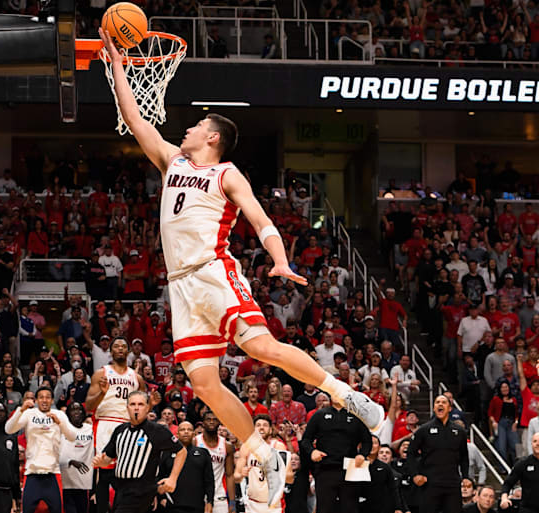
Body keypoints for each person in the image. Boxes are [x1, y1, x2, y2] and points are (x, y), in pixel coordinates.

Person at [98, 26, 383, 506]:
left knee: (261, 346)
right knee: (203, 382)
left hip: (213, 272)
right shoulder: (171, 162)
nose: (183, 130)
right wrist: (118, 67)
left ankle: (343, 392)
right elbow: (135, 118)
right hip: (181, 287)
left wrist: (279, 260)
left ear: (211, 138)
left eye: (193, 127)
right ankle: (260, 451)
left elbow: (260, 217)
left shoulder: (225, 172)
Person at [92, 391, 187, 513]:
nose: (136, 408)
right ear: (127, 408)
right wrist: (101, 462)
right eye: (132, 404)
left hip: (142, 489)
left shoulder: (157, 430)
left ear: (147, 408)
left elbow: (181, 451)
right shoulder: (120, 430)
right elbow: (108, 458)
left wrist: (173, 479)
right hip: (120, 489)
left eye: (140, 404)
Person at [85, 337, 145, 513]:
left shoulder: (137, 378)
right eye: (116, 346)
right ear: (110, 352)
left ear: (128, 351)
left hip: (128, 426)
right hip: (106, 423)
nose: (120, 349)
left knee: (126, 474)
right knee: (104, 474)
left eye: (123, 346)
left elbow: (142, 406)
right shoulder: (101, 373)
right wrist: (101, 395)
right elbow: (88, 405)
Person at [5, 387, 79, 513]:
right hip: (32, 473)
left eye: (48, 397)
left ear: (52, 400)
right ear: (36, 400)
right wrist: (20, 410)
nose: (44, 400)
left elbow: (73, 437)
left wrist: (59, 423)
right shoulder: (29, 414)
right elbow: (9, 429)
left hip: (52, 474)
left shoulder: (59, 415)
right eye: (41, 397)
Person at [300, 394, 372, 513]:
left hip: (351, 469)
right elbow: (306, 439)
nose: (337, 395)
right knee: (324, 508)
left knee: (350, 508)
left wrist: (362, 454)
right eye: (333, 392)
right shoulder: (319, 414)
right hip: (325, 468)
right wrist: (312, 451)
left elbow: (367, 441)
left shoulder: (356, 415)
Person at [407, 395, 469, 513]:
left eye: (443, 402)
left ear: (449, 408)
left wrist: (465, 477)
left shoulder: (460, 431)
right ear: (434, 408)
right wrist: (415, 475)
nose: (440, 404)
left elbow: (464, 457)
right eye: (437, 402)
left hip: (452, 484)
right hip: (430, 483)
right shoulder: (423, 430)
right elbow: (410, 453)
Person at [235, 414, 292, 513]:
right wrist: (241, 474)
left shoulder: (278, 447)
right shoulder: (246, 447)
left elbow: (290, 479)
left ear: (270, 430)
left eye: (265, 425)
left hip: (273, 505)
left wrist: (279, 472)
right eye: (258, 425)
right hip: (252, 503)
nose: (261, 427)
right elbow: (236, 476)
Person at [158, 421, 214, 513]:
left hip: (197, 505)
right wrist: (161, 498)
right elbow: (159, 476)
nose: (186, 432)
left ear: (194, 433)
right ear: (177, 434)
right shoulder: (166, 453)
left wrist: (210, 501)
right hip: (172, 505)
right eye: (183, 430)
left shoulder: (203, 453)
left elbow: (209, 480)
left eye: (189, 430)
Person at [194, 410, 234, 513]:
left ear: (219, 423)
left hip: (219, 494)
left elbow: (229, 475)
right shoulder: (195, 442)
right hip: (198, 494)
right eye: (208, 419)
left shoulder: (227, 446)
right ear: (203, 423)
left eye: (215, 420)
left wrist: (232, 503)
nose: (211, 422)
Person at [59, 403, 93, 513]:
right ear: (68, 414)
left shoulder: (90, 429)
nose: (76, 412)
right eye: (73, 410)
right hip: (66, 481)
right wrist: (70, 461)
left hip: (84, 482)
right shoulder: (61, 429)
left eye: (79, 409)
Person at [362, 435, 405, 513]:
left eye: (374, 443)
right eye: (369, 442)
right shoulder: (356, 464)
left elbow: (393, 489)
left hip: (382, 508)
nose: (371, 445)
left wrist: (398, 508)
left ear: (379, 447)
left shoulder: (385, 468)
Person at [500, 432, 539, 511]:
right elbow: (507, 483)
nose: (537, 444)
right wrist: (504, 498)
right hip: (528, 509)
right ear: (531, 444)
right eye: (535, 441)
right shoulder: (523, 463)